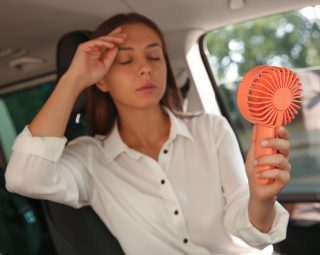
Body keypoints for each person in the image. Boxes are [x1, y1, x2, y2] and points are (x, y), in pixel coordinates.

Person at [5, 13, 291, 255]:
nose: (145, 69)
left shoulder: (210, 128)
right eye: (126, 61)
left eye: (154, 56)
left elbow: (251, 232)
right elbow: (23, 177)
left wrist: (261, 199)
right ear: (101, 80)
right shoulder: (89, 159)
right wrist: (74, 79)